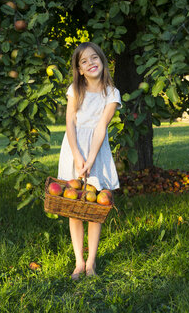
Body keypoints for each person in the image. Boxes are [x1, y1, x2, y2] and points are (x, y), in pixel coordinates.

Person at [57, 42, 121, 280]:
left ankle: (91, 262)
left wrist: (91, 159)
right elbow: (70, 123)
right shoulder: (75, 89)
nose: (90, 63)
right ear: (79, 69)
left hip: (97, 149)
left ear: (102, 61)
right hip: (73, 147)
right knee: (74, 206)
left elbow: (101, 127)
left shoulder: (111, 93)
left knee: (94, 208)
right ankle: (78, 262)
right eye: (84, 61)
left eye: (94, 58)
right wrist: (76, 154)